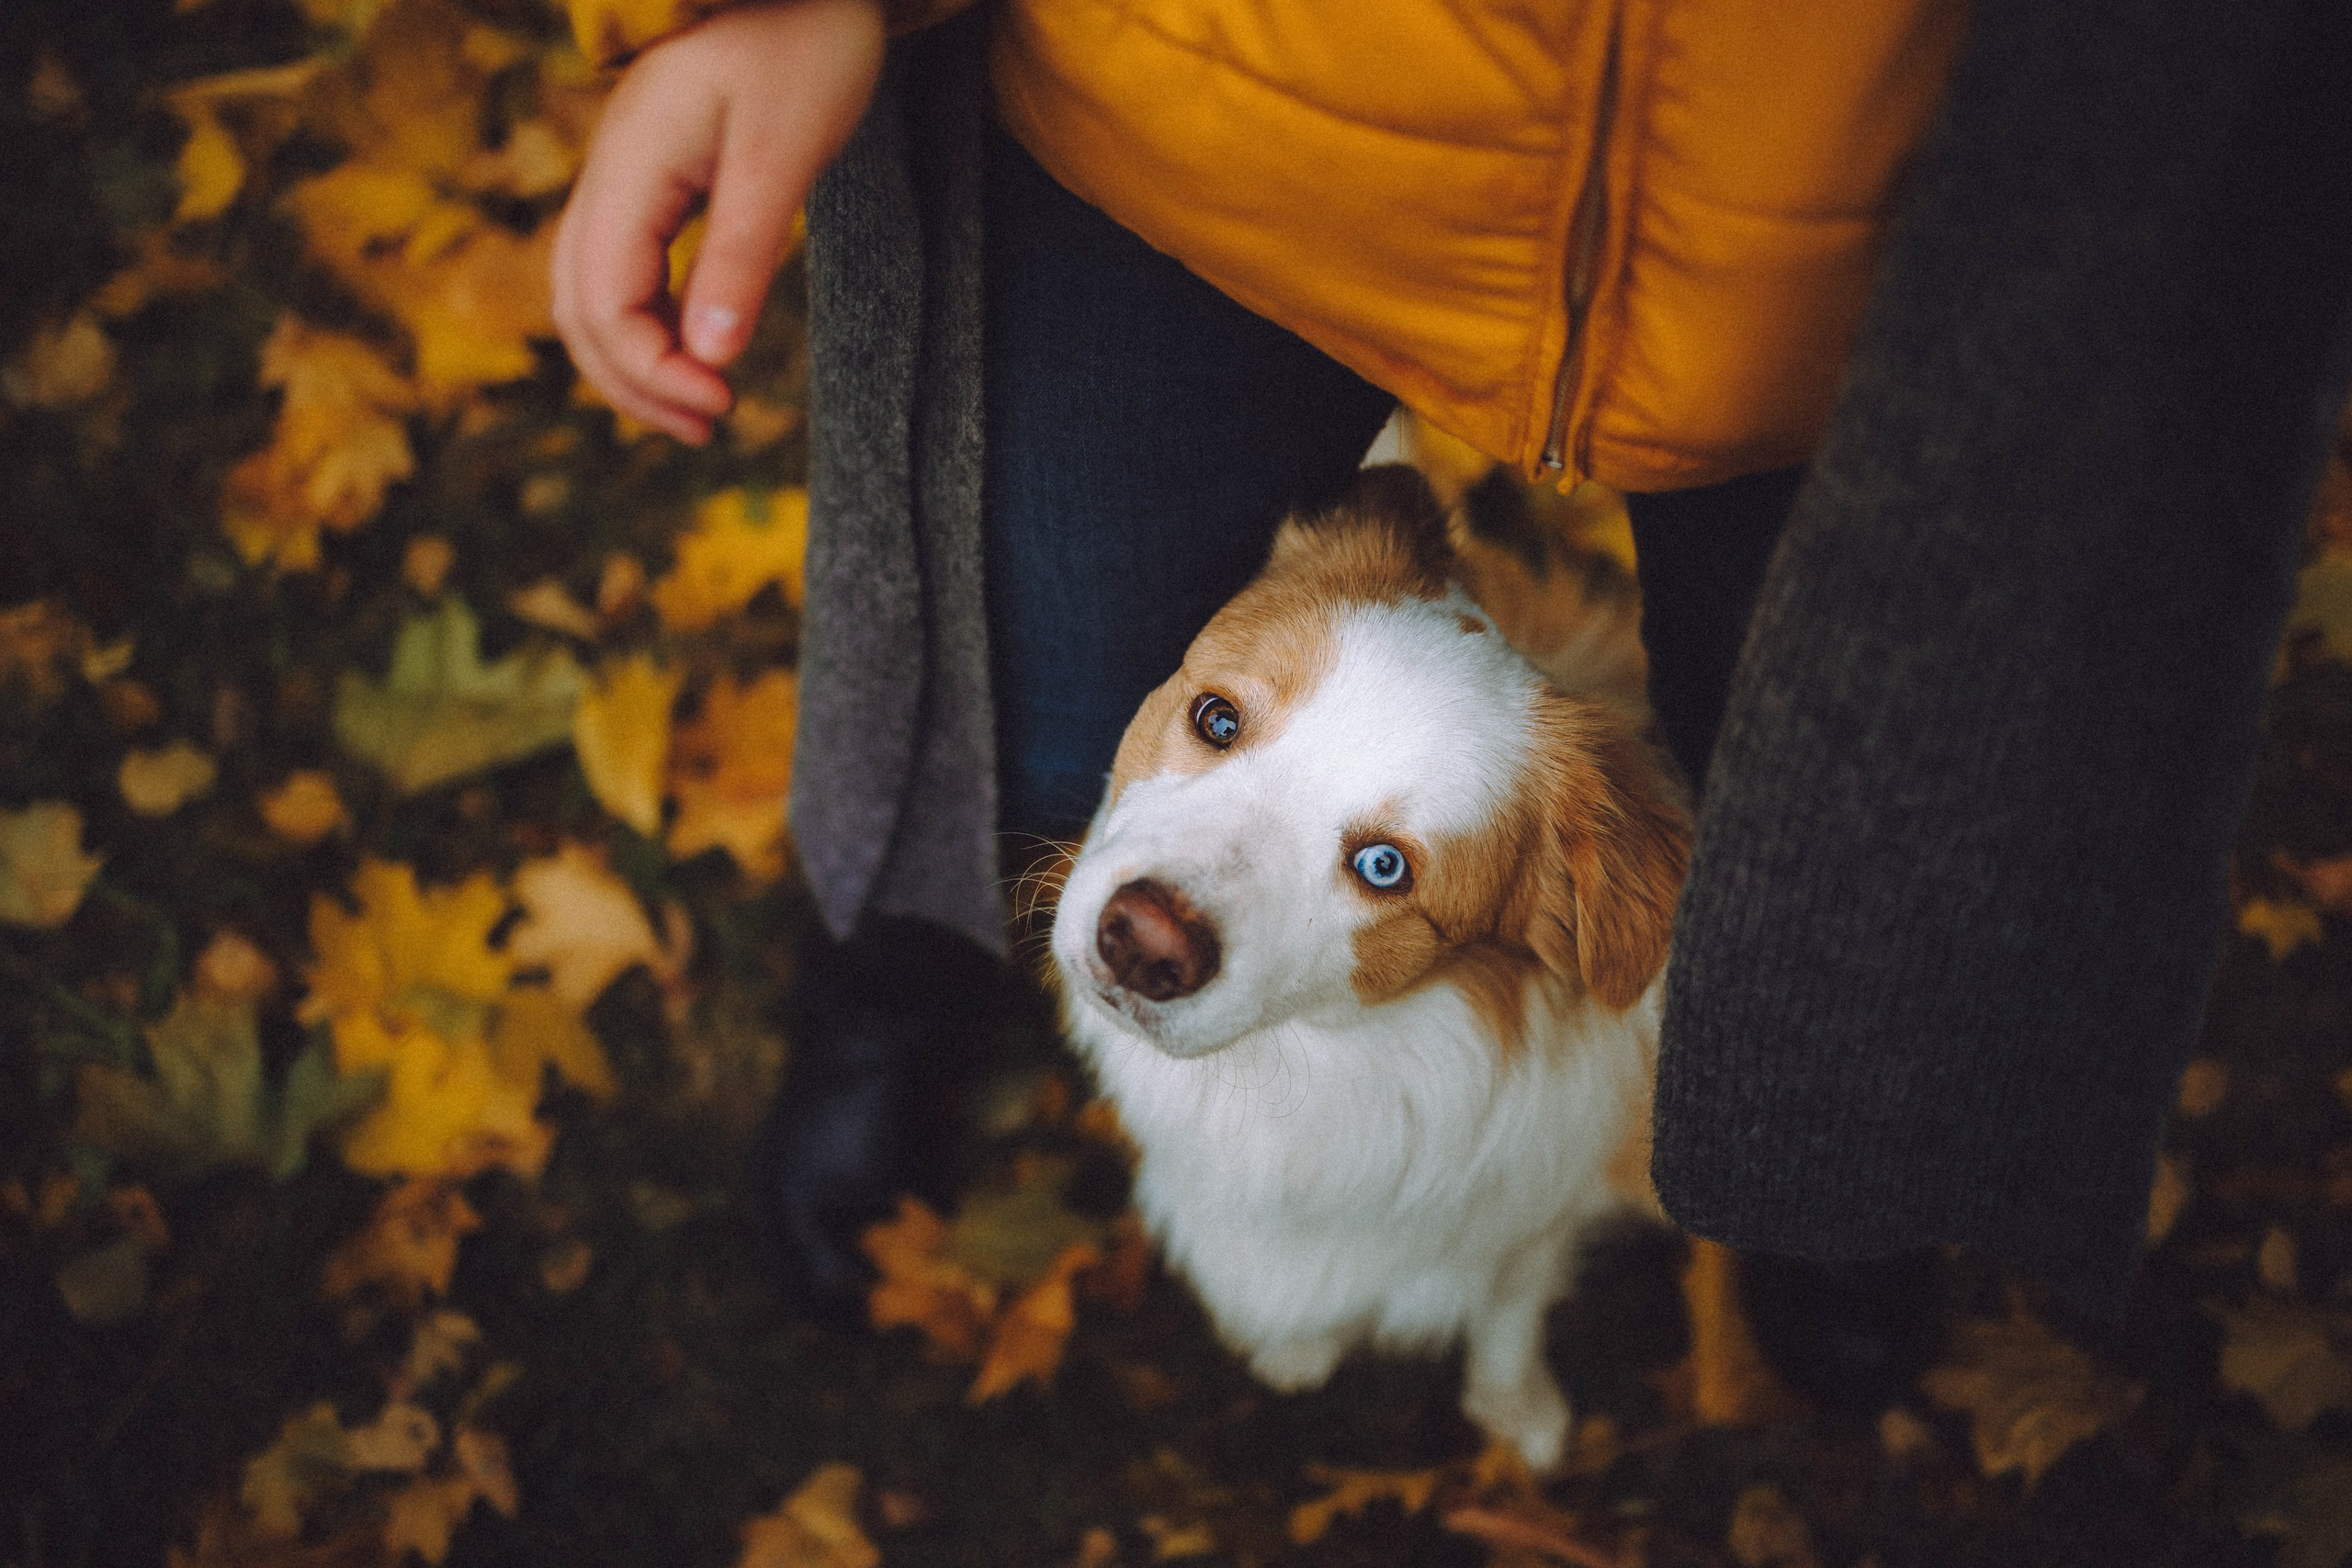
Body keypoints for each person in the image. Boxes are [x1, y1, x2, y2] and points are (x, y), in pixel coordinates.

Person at [551, 0, 2352, 1388]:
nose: (1168, 902)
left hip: (1901, 242)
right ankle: (900, 985)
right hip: (1210, 107)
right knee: (1007, 685)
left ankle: (1824, 1177)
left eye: (1386, 867)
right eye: (1225, 721)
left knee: (1862, 862)